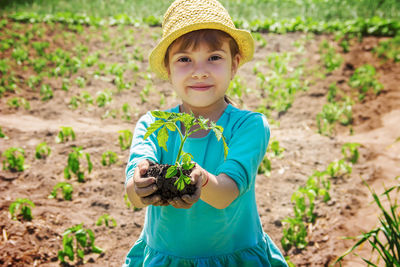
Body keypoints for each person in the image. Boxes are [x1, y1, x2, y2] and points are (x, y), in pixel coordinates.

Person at [123, 0, 288, 266]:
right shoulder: (152, 123)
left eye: (214, 58)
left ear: (234, 65)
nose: (200, 72)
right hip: (166, 257)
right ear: (168, 69)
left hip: (232, 257)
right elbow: (133, 193)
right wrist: (140, 184)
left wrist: (199, 178)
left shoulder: (249, 126)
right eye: (184, 59)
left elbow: (225, 194)